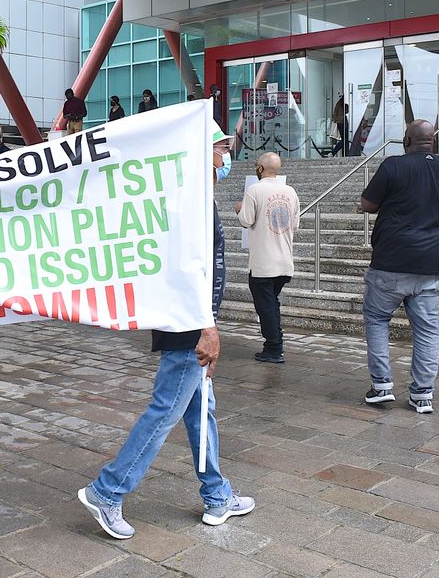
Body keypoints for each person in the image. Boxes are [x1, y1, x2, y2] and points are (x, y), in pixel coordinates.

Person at [77, 120, 255, 538]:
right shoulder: (191, 200)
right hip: (189, 326)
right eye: (221, 147)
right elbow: (194, 270)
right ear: (199, 150)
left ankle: (216, 495)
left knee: (200, 409)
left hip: (186, 323)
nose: (226, 156)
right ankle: (107, 491)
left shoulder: (191, 196)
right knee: (165, 412)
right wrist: (207, 329)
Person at [360, 120, 439, 414]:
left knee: (378, 319)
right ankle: (422, 395)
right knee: (428, 329)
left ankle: (382, 386)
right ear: (432, 141)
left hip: (392, 260)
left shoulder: (393, 166)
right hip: (434, 263)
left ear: (407, 141)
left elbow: (368, 204)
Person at [236, 152, 299, 364]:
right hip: (284, 260)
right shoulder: (290, 191)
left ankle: (274, 346)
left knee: (265, 306)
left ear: (261, 168)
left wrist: (238, 208)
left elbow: (246, 220)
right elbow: (295, 224)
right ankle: (273, 342)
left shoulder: (255, 190)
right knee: (271, 304)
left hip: (263, 263)